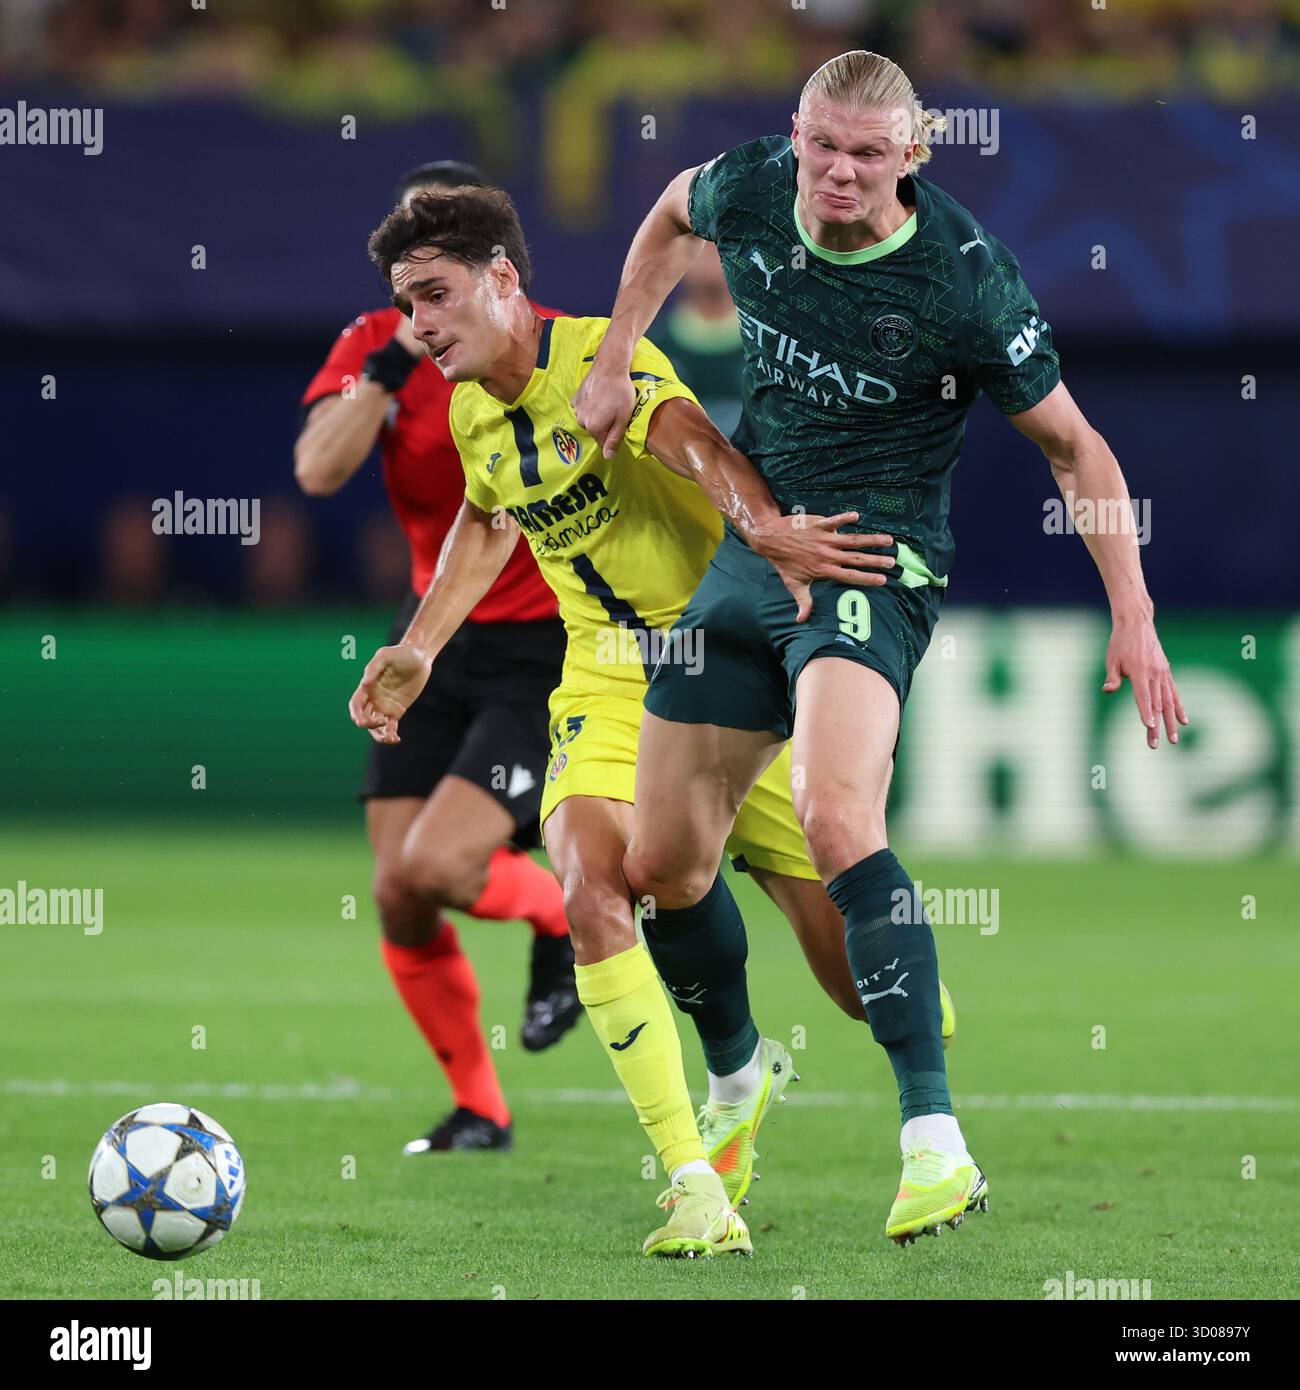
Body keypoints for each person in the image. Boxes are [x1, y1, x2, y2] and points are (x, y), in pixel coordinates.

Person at [573, 49, 1188, 1244]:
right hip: (753, 555)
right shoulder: (749, 187)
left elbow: (1077, 448)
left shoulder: (963, 282)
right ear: (793, 135)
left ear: (913, 157)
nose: (838, 173)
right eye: (822, 145)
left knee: (836, 816)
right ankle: (744, 1074)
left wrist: (1135, 609)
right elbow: (662, 213)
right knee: (661, 867)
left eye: (867, 154)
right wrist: (611, 354)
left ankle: (934, 1144)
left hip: (871, 563)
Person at [348, 186, 937, 1258]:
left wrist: (765, 527)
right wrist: (422, 646)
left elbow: (693, 443)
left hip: (722, 673)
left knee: (860, 989)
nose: (420, 325)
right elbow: (488, 520)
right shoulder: (474, 408)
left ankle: (808, 1071)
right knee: (591, 880)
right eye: (404, 304)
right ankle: (692, 1180)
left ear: (503, 281)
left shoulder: (602, 368)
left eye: (434, 297)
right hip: (609, 682)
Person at [296, 161, 576, 1157]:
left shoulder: (540, 340)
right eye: (403, 284)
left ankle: (564, 917)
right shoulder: (383, 344)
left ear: (485, 261)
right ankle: (481, 1109)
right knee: (396, 891)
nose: (417, 303)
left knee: (446, 863)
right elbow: (317, 472)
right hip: (433, 638)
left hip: (542, 647)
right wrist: (385, 367)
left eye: (434, 274)